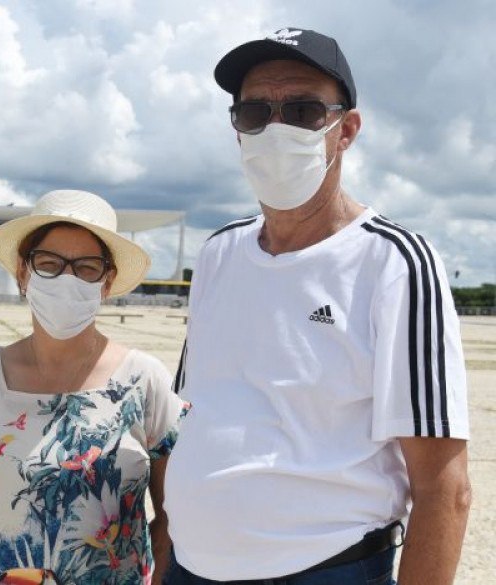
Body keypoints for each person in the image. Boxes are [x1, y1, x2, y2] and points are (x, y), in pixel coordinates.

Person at [164, 28, 471, 584]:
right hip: (191, 564)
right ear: (237, 130)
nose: (274, 128)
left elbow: (444, 489)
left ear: (345, 129)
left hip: (322, 569)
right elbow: (200, 418)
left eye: (303, 110)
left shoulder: (394, 262)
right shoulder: (218, 254)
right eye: (254, 111)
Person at [0, 189, 190, 584]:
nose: (67, 279)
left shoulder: (145, 381)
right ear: (23, 273)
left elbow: (174, 514)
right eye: (49, 263)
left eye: (86, 267)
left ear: (107, 282)